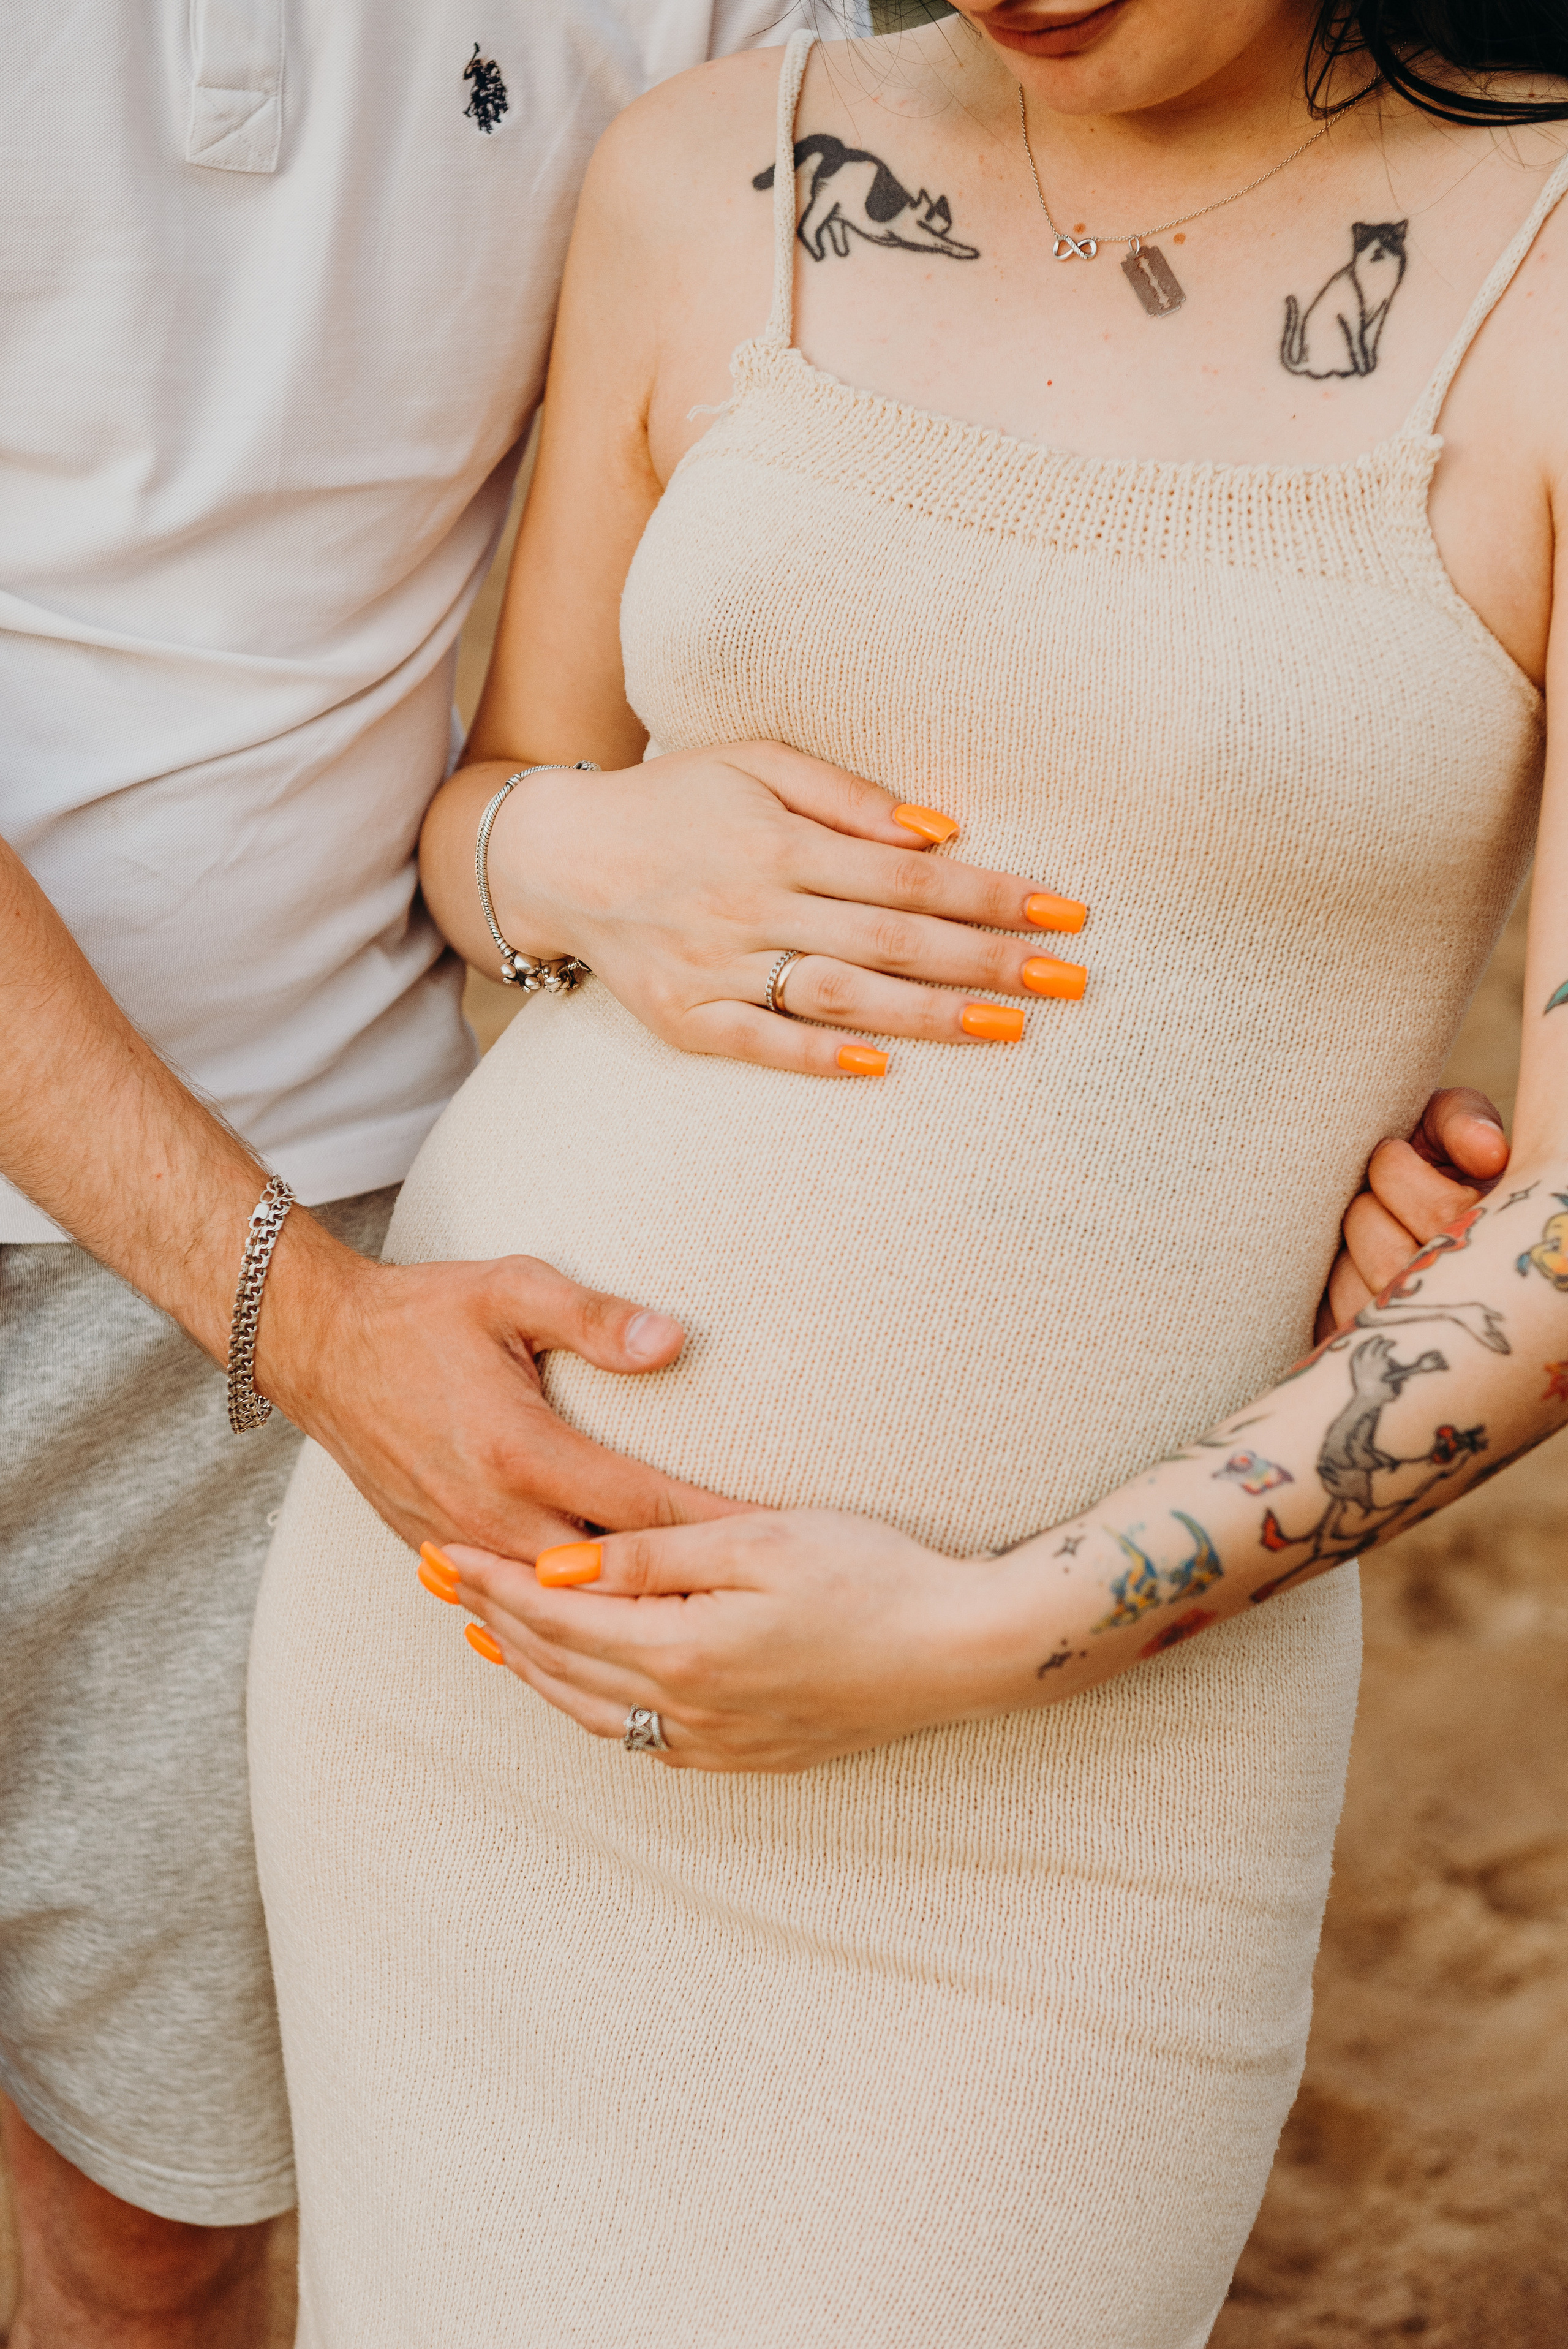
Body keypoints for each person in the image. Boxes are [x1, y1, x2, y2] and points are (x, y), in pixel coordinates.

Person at [248, 0, 1567, 2339]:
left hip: (1082, 1764)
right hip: (470, 1663)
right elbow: (486, 822)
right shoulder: (702, 173)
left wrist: (973, 1628)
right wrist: (572, 844)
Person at [0, 5, 927, 2341]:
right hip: (294, 1304)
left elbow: (923, 490)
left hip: (320, 1217)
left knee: (158, 2209)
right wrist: (309, 1324)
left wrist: (1286, 1114)